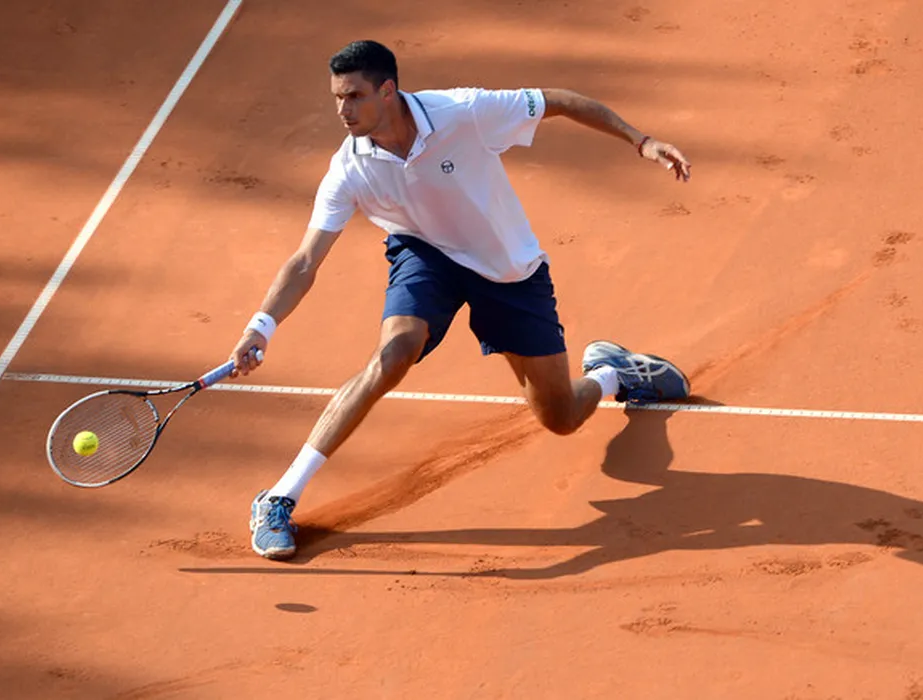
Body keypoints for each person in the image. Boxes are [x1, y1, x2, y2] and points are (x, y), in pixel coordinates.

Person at [230, 40, 693, 560]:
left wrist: (641, 141)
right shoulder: (349, 167)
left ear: (388, 90)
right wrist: (260, 326)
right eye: (337, 97)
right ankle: (280, 496)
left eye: (354, 96)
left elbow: (559, 101)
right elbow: (305, 260)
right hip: (426, 255)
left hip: (506, 269)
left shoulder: (464, 111)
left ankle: (611, 374)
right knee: (393, 355)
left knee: (561, 417)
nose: (343, 110)